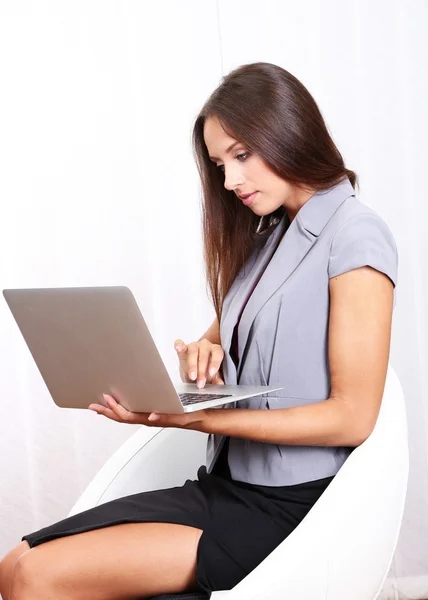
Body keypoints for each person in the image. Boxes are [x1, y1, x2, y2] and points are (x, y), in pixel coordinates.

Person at [0, 62, 397, 600]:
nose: (230, 181)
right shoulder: (267, 240)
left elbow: (353, 417)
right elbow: (219, 335)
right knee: (14, 564)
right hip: (224, 487)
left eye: (241, 155)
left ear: (288, 131)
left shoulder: (355, 235)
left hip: (287, 509)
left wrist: (205, 417)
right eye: (219, 164)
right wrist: (202, 351)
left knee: (36, 577)